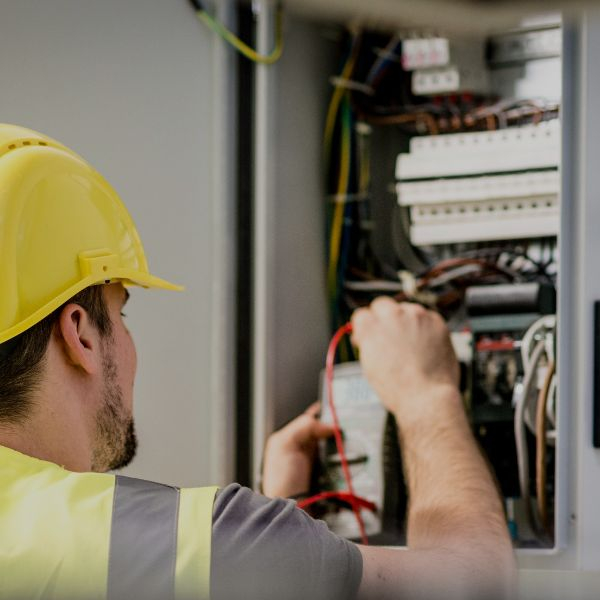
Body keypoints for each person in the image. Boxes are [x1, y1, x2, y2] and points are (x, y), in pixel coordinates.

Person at [0, 124, 514, 599]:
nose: (131, 343)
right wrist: (426, 395)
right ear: (80, 335)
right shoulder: (199, 544)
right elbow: (478, 587)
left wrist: (283, 518)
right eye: (122, 314)